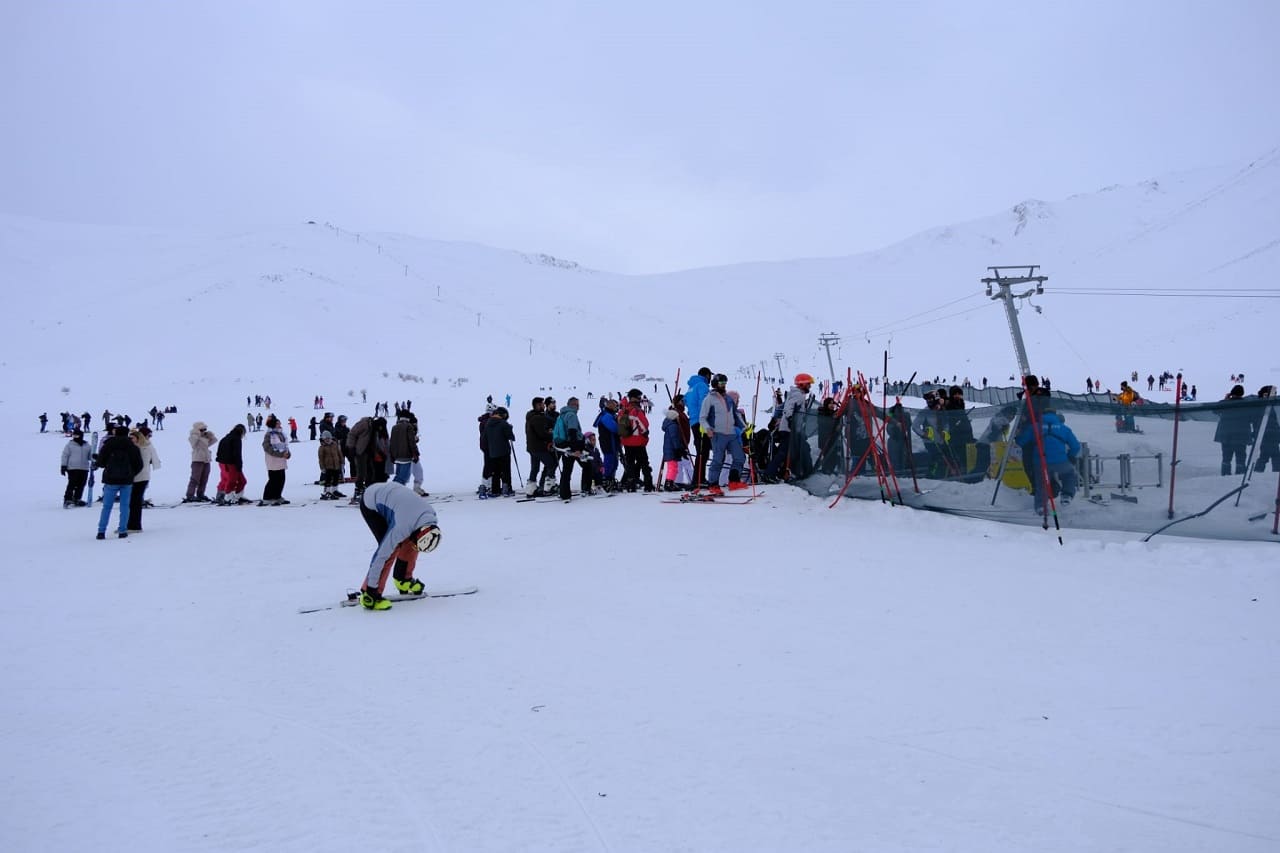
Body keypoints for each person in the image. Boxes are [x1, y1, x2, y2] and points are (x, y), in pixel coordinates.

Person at [357, 481, 442, 611]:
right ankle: (369, 593)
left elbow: (415, 541)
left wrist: (415, 544)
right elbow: (382, 555)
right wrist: (370, 590)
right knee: (389, 550)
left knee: (411, 543)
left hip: (395, 500)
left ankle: (403, 579)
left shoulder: (430, 518)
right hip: (371, 503)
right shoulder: (402, 525)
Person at [1019, 409, 1082, 511]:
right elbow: (1075, 446)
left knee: (1041, 483)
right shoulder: (1064, 428)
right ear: (1056, 416)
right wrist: (1070, 457)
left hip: (1040, 462)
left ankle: (1041, 507)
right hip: (1061, 461)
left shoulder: (1034, 427)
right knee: (1069, 475)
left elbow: (1021, 441)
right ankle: (1066, 495)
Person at [698, 374, 747, 495]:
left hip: (731, 433)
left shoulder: (728, 399)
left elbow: (735, 414)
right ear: (715, 384)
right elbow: (702, 417)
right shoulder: (709, 398)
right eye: (721, 383)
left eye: (725, 383)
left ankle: (734, 481)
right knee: (718, 460)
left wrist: (744, 427)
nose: (723, 386)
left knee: (740, 457)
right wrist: (708, 429)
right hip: (717, 434)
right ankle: (713, 484)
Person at [765, 373, 816, 481]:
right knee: (784, 452)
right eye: (808, 384)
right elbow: (788, 409)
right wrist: (791, 420)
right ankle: (769, 474)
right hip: (789, 429)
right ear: (802, 384)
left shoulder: (799, 395)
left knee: (791, 451)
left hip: (792, 429)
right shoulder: (797, 395)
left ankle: (784, 472)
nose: (809, 386)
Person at [94, 426, 143, 539]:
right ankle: (122, 530)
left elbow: (101, 462)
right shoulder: (132, 447)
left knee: (107, 506)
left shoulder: (108, 445)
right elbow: (139, 464)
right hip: (126, 481)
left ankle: (101, 531)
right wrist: (131, 474)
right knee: (125, 506)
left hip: (110, 480)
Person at [618, 388, 655, 492]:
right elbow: (644, 425)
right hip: (638, 441)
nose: (640, 399)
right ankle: (648, 485)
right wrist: (645, 434)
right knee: (644, 463)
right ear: (634, 398)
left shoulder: (623, 410)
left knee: (630, 463)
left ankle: (630, 485)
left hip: (626, 441)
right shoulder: (637, 410)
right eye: (639, 397)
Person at [1213, 385, 1254, 476]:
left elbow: (1215, 410)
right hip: (1241, 436)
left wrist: (1226, 399)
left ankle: (1225, 475)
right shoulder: (1247, 405)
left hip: (1226, 436)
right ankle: (1239, 475)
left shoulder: (1225, 404)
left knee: (1226, 458)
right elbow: (1251, 418)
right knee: (1241, 457)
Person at [552, 397, 587, 501]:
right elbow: (572, 432)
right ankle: (586, 488)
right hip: (573, 446)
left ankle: (564, 493)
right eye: (577, 404)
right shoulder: (571, 415)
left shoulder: (562, 414)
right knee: (587, 465)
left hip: (565, 445)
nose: (579, 407)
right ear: (573, 405)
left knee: (567, 469)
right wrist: (575, 449)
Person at [127, 424, 160, 532]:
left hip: (139, 477)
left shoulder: (143, 447)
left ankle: (134, 525)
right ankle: (132, 524)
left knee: (134, 502)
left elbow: (140, 463)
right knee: (134, 502)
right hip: (140, 477)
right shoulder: (145, 446)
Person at [684, 368, 712, 485]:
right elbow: (704, 403)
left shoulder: (690, 388)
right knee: (703, 451)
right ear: (706, 375)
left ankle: (698, 478)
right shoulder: (702, 386)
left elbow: (686, 401)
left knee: (701, 450)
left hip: (694, 421)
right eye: (710, 375)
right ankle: (699, 479)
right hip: (701, 421)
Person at [525, 397, 555, 497]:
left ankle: (531, 489)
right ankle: (548, 487)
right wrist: (551, 434)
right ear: (537, 405)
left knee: (535, 468)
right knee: (551, 464)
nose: (544, 406)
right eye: (542, 404)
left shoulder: (531, 416)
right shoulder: (537, 418)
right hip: (539, 447)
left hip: (532, 447)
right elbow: (542, 433)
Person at [483, 406, 516, 496]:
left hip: (493, 452)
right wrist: (510, 428)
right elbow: (511, 437)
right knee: (506, 471)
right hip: (504, 451)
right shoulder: (503, 423)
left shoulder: (488, 423)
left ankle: (495, 490)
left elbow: (484, 438)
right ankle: (507, 488)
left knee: (496, 472)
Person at [260, 414, 292, 505]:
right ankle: (267, 497)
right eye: (277, 423)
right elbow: (267, 447)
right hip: (272, 461)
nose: (280, 424)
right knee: (273, 480)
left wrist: (288, 454)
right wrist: (280, 454)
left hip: (281, 460)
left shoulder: (281, 434)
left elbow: (285, 446)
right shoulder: (269, 435)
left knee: (281, 479)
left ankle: (277, 496)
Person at [214, 423, 249, 504]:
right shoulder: (236, 439)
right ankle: (230, 497)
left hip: (222, 463)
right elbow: (237, 454)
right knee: (236, 480)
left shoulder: (225, 437)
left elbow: (219, 451)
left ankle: (223, 495)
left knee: (225, 479)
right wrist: (239, 466)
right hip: (231, 464)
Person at [592, 397, 621, 491]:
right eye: (616, 406)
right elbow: (615, 428)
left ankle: (610, 479)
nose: (617, 408)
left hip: (611, 442)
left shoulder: (609, 415)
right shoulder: (606, 416)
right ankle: (606, 481)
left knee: (614, 461)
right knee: (609, 461)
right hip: (608, 442)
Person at [660, 398, 690, 491]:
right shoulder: (673, 426)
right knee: (672, 467)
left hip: (670, 449)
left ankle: (671, 482)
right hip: (672, 450)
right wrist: (678, 448)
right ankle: (669, 483)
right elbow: (675, 439)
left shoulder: (670, 425)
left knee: (674, 467)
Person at [184, 421, 217, 502]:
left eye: (205, 429)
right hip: (197, 459)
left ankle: (200, 494)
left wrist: (210, 436)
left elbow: (213, 441)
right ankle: (190, 495)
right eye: (202, 429)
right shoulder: (193, 436)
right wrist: (197, 433)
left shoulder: (204, 438)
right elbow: (193, 443)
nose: (204, 431)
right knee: (195, 478)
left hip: (206, 459)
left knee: (204, 478)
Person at [60, 428, 93, 507]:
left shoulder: (87, 445)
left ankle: (77, 498)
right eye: (74, 435)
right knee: (72, 483)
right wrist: (63, 466)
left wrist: (94, 457)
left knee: (81, 484)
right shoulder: (70, 445)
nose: (75, 436)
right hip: (72, 468)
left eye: (77, 435)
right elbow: (65, 455)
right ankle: (67, 499)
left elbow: (90, 457)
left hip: (84, 468)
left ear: (81, 436)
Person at [1252, 386, 1279, 474]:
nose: (1275, 396)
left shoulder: (1268, 406)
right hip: (1267, 435)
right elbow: (1268, 422)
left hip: (1268, 435)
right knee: (1273, 455)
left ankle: (1258, 472)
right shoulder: (1264, 406)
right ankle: (1276, 473)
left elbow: (1273, 422)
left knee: (1266, 455)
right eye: (1274, 394)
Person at [389, 410, 419, 485]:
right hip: (406, 456)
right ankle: (393, 493)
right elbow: (411, 442)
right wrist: (415, 454)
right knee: (403, 478)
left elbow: (392, 442)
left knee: (398, 476)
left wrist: (392, 455)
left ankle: (393, 492)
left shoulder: (394, 427)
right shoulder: (409, 427)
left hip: (396, 456)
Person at [318, 430, 345, 499]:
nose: (327, 440)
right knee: (328, 479)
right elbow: (321, 459)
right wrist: (322, 467)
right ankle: (327, 491)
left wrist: (342, 462)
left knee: (336, 478)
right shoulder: (322, 448)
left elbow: (339, 453)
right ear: (323, 439)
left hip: (336, 465)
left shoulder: (335, 444)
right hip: (328, 466)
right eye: (326, 439)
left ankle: (334, 490)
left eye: (328, 438)